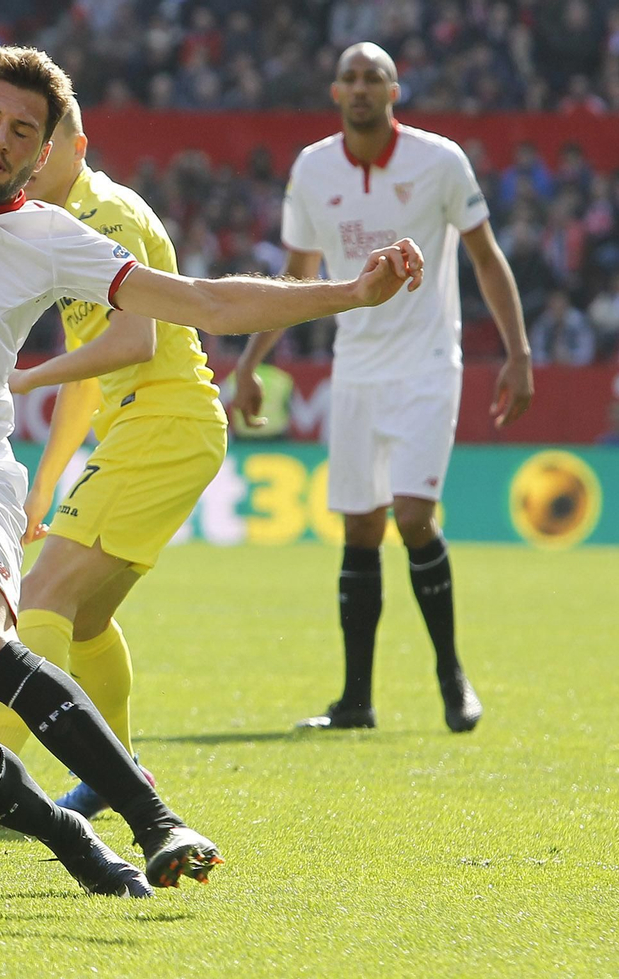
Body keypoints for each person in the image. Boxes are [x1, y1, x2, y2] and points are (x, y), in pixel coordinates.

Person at [0, 45, 425, 892]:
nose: (0, 140)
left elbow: (203, 302)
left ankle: (156, 819)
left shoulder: (53, 239)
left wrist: (349, 293)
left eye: (24, 131)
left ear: (45, 152)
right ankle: (73, 839)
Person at [0, 95, 228, 828]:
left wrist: (24, 376)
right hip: (151, 427)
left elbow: (132, 344)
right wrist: (45, 484)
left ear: (69, 147)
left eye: (34, 141)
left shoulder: (101, 215)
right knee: (84, 618)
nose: (20, 158)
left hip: (162, 426)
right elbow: (90, 369)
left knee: (40, 601)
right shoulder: (67, 228)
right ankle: (119, 769)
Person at [233, 42, 535, 734]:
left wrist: (518, 353)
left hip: (429, 363)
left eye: (375, 76)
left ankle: (450, 674)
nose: (362, 86)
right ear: (335, 93)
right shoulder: (313, 168)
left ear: (395, 91)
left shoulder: (441, 160)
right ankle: (356, 701)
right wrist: (250, 363)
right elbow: (299, 274)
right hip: (356, 367)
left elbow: (487, 260)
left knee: (412, 514)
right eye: (350, 78)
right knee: (361, 526)